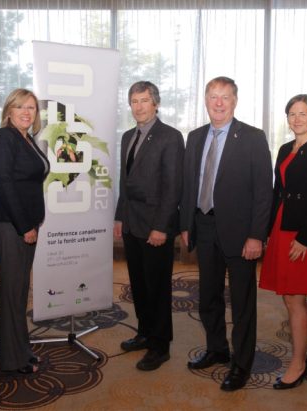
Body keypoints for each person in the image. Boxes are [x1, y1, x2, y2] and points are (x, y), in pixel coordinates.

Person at [181, 76, 273, 391]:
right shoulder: (194, 137)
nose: (218, 103)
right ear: (205, 100)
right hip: (204, 227)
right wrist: (186, 224)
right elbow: (188, 184)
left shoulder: (252, 137)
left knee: (242, 302)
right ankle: (217, 348)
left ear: (235, 101)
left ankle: (242, 364)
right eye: (213, 97)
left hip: (241, 233)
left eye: (225, 97)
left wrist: (256, 236)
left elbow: (264, 192)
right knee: (208, 297)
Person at [259, 94, 307, 390]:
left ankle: (298, 362)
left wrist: (304, 239)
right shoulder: (283, 149)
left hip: (305, 233)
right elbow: (277, 192)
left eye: (303, 113)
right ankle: (300, 356)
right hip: (281, 227)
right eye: (292, 113)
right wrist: (267, 231)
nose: (297, 119)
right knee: (288, 297)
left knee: (295, 298)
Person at [114, 81, 184, 371]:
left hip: (155, 227)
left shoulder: (170, 137)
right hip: (132, 224)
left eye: (144, 101)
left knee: (157, 288)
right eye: (134, 101)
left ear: (156, 103)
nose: (138, 107)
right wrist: (120, 216)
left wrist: (161, 227)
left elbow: (173, 187)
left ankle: (160, 345)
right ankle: (144, 333)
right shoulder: (128, 136)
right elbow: (125, 182)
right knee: (139, 286)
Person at [0, 88, 50, 374]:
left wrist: (31, 223)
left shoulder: (28, 139)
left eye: (32, 108)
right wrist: (25, 226)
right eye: (20, 107)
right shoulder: (4, 138)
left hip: (25, 224)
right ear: (9, 110)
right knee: (12, 292)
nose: (27, 112)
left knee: (20, 288)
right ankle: (11, 360)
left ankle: (21, 350)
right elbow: (4, 184)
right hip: (10, 224)